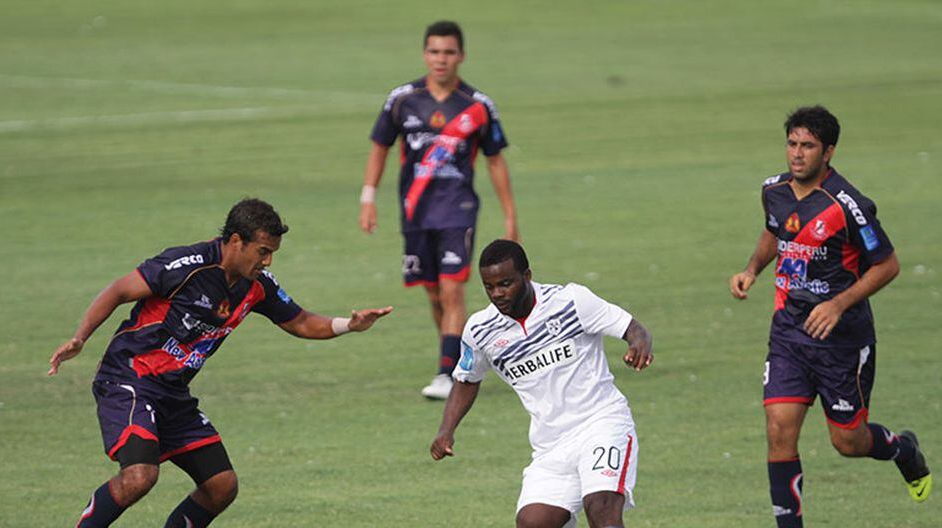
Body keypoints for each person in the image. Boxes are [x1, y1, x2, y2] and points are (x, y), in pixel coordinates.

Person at [49, 198, 392, 527]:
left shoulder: (256, 286)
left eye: (272, 253)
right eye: (263, 252)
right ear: (237, 241)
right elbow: (119, 290)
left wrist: (349, 325)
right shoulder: (187, 265)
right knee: (140, 476)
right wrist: (80, 337)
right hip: (130, 378)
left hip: (172, 392)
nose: (268, 262)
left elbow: (301, 321)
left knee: (221, 486)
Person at [728, 106, 931, 527]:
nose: (797, 153)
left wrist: (838, 304)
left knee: (848, 442)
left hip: (841, 342)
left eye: (808, 146)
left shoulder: (849, 205)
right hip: (789, 333)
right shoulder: (773, 190)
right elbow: (774, 230)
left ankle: (903, 449)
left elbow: (887, 265)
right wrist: (752, 270)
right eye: (792, 144)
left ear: (829, 152)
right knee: (779, 430)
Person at [431, 240, 653, 528]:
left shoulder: (571, 301)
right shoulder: (480, 330)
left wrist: (639, 343)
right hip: (551, 446)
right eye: (489, 287)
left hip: (601, 424)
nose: (497, 294)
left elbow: (632, 328)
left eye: (505, 284)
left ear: (527, 276)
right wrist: (446, 430)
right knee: (532, 523)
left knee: (601, 508)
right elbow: (466, 380)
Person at [359, 20, 520, 400]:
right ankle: (461, 356)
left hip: (457, 209)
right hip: (415, 211)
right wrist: (368, 198)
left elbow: (496, 161)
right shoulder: (402, 100)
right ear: (424, 54)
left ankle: (448, 373)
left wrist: (510, 216)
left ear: (461, 56)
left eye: (448, 52)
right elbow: (380, 147)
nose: (441, 59)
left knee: (452, 290)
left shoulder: (478, 105)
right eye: (434, 51)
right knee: (433, 294)